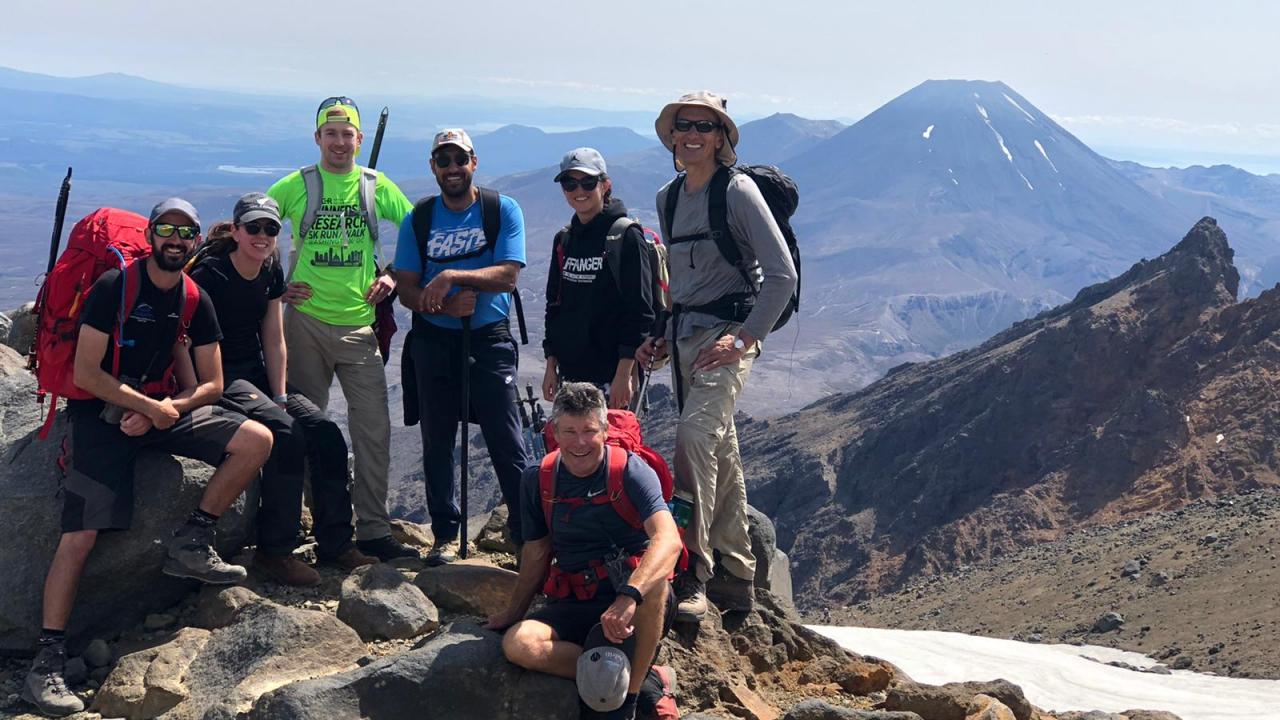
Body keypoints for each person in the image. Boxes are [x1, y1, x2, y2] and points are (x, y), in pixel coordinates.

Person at [24, 199, 273, 717]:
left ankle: (194, 537)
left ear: (197, 239)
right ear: (153, 234)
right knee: (80, 535)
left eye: (186, 232)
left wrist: (168, 409)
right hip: (101, 415)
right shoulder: (113, 288)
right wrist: (140, 407)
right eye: (167, 230)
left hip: (160, 408)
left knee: (257, 440)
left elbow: (213, 383)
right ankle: (45, 661)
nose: (176, 240)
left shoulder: (193, 297)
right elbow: (88, 373)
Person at [637, 92, 798, 621]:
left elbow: (781, 276)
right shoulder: (668, 196)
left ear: (721, 137)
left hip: (727, 335)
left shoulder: (738, 192)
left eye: (704, 127)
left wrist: (745, 337)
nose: (692, 134)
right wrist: (661, 331)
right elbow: (677, 282)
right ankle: (738, 574)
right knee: (719, 449)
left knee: (693, 438)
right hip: (684, 334)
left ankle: (692, 574)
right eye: (684, 125)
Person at [189, 193, 377, 585]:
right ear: (237, 230)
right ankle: (274, 552)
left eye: (270, 229)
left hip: (257, 374)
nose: (262, 235)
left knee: (325, 433)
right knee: (286, 433)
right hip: (222, 377)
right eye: (253, 227)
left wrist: (279, 397)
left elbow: (273, 338)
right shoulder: (211, 275)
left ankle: (337, 543)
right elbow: (193, 342)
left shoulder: (270, 269)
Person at [267, 96, 418, 561]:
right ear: (317, 138)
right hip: (305, 325)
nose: (338, 141)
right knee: (309, 428)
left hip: (358, 327)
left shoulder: (375, 186)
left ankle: (373, 530)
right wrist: (277, 286)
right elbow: (254, 228)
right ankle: (323, 523)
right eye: (330, 133)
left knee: (373, 430)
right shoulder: (296, 185)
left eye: (346, 133)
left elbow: (416, 229)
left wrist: (392, 274)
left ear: (358, 138)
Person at [485, 383, 681, 719]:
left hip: (633, 601)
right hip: (576, 598)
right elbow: (536, 552)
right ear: (554, 432)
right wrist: (513, 613)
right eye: (569, 431)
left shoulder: (630, 471)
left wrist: (627, 597)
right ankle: (620, 672)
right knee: (519, 644)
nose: (579, 443)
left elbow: (669, 540)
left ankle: (631, 697)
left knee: (657, 585)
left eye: (589, 431)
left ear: (605, 430)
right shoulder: (539, 479)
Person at [394, 128, 529, 565]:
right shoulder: (419, 218)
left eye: (459, 159)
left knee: (506, 439)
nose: (452, 168)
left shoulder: (500, 210)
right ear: (433, 167)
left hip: (487, 340)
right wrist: (444, 307)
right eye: (443, 161)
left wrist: (454, 277)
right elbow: (407, 289)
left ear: (474, 162)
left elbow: (508, 275)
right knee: (437, 439)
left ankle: (528, 535)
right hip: (434, 341)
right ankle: (444, 534)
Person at [542, 148, 654, 409]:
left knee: (612, 447)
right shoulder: (565, 239)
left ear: (605, 185)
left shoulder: (625, 236)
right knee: (573, 448)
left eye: (588, 182)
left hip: (612, 375)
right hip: (570, 375)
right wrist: (551, 363)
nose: (578, 190)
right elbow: (554, 306)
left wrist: (624, 373)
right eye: (570, 183)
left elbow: (639, 312)